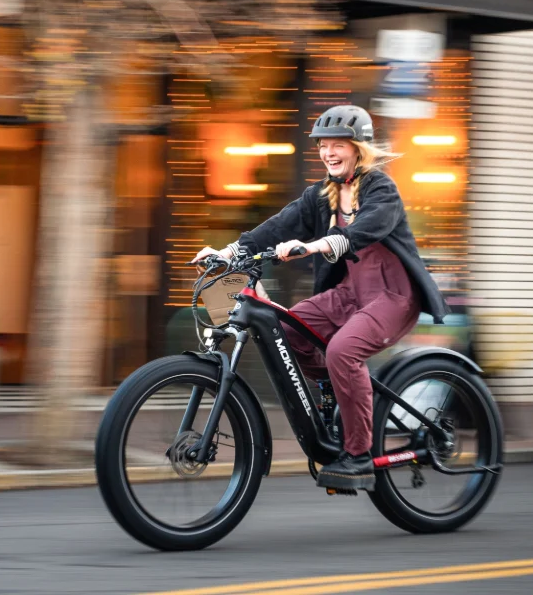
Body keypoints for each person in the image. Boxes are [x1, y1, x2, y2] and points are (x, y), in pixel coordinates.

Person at [192, 105, 449, 491]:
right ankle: (342, 391)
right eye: (323, 145)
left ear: (359, 149)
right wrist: (227, 253)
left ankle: (358, 455)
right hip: (349, 295)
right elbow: (278, 226)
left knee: (342, 351)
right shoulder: (321, 195)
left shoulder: (381, 188)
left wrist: (314, 245)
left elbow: (366, 228)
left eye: (338, 145)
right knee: (285, 333)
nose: (328, 152)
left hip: (393, 296)